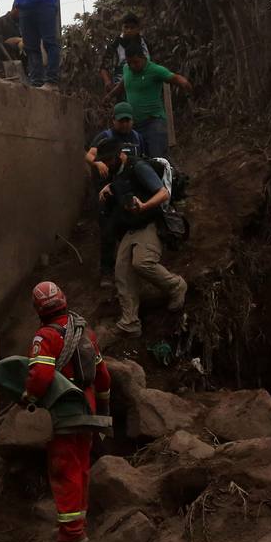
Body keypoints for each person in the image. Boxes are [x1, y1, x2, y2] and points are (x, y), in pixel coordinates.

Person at [22, 281, 112, 542]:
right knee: (81, 465)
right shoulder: (85, 333)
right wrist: (102, 408)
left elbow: (41, 377)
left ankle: (71, 535)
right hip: (87, 409)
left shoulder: (46, 337)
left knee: (64, 469)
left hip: (66, 410)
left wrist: (29, 397)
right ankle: (77, 524)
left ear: (38, 309)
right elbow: (103, 377)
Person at [96, 140, 187, 337]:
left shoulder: (139, 167)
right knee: (121, 272)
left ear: (120, 154)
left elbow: (163, 194)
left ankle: (176, 286)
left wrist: (144, 206)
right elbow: (123, 182)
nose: (106, 163)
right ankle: (130, 322)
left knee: (142, 262)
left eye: (108, 159)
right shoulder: (117, 172)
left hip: (150, 223)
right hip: (130, 228)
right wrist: (109, 188)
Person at [85, 105, 146, 281]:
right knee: (107, 230)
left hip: (128, 189)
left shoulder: (137, 138)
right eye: (121, 121)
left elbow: (142, 159)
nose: (125, 124)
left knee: (132, 226)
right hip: (107, 190)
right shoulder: (105, 137)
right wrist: (97, 163)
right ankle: (106, 271)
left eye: (128, 120)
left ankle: (133, 266)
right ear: (114, 120)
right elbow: (89, 155)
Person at [120, 47, 192, 159]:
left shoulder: (155, 70)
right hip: (135, 125)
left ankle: (173, 175)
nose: (132, 66)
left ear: (143, 58)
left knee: (157, 158)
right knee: (141, 159)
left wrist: (186, 86)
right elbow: (123, 82)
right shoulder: (126, 69)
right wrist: (109, 96)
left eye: (135, 62)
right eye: (129, 63)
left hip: (154, 122)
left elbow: (176, 78)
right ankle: (177, 175)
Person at [101, 14, 153, 93]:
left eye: (132, 28)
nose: (129, 30)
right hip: (121, 89)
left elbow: (154, 63)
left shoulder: (145, 44)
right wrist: (107, 81)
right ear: (122, 28)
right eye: (126, 27)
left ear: (138, 29)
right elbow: (104, 67)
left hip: (145, 86)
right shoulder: (115, 45)